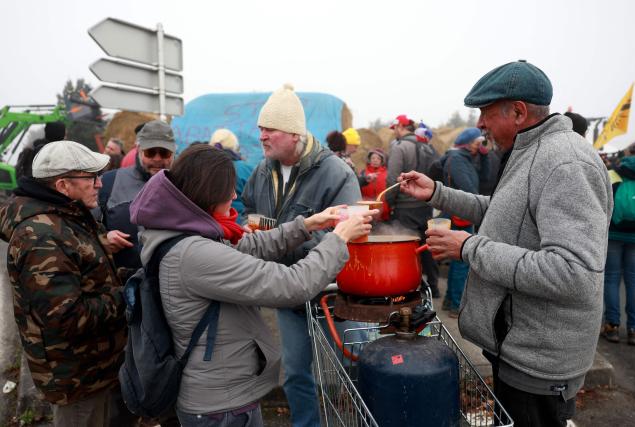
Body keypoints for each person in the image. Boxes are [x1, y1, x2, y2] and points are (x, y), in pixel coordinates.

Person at [399, 60, 612, 426]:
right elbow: (502, 212)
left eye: (485, 112)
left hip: (539, 365)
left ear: (518, 111)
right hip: (516, 347)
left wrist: (468, 247)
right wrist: (437, 192)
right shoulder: (530, 150)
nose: (480, 123)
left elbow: (573, 272)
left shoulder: (567, 163)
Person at [129, 144, 373, 427]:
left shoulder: (184, 232)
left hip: (219, 394)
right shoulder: (195, 253)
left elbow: (246, 246)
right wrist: (338, 239)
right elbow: (293, 285)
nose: (234, 196)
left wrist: (307, 224)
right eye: (228, 190)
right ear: (209, 193)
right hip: (221, 406)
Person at [242, 84, 362, 427]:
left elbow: (348, 228)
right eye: (261, 129)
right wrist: (253, 229)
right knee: (295, 373)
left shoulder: (337, 173)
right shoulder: (262, 170)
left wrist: (289, 245)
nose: (262, 136)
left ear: (294, 134)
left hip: (331, 295)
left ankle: (353, 421)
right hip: (287, 295)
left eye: (270, 130)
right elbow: (246, 207)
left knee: (347, 368)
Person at [0, 140, 131, 427]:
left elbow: (81, 273)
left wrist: (116, 268)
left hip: (93, 367)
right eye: (91, 178)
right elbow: (66, 317)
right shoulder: (41, 236)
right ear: (62, 185)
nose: (99, 184)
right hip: (77, 377)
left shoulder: (67, 215)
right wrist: (127, 296)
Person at [95, 120, 176, 282]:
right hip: (122, 285)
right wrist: (103, 238)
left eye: (165, 153)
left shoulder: (185, 185)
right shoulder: (109, 182)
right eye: (151, 152)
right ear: (139, 150)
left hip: (171, 285)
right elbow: (83, 228)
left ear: (173, 153)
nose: (158, 159)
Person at [386, 114, 441, 297]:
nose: (393, 133)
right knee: (427, 246)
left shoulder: (400, 147)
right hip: (426, 205)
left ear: (401, 127)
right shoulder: (428, 146)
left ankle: (408, 289)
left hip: (404, 208)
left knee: (407, 249)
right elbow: (438, 172)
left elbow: (393, 179)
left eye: (394, 129)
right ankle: (433, 287)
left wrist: (388, 202)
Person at [439, 127, 488, 317]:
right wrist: (478, 205)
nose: (479, 147)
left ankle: (450, 300)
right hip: (460, 215)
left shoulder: (467, 158)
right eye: (477, 144)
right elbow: (468, 189)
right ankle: (456, 304)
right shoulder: (457, 160)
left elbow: (485, 177)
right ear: (467, 144)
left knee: (457, 261)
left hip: (461, 214)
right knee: (461, 262)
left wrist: (483, 156)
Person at [601, 141, 635, 345]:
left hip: (614, 233)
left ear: (628, 152)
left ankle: (612, 326)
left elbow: (604, 200)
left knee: (612, 279)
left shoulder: (614, 172)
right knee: (634, 280)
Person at [209, 128, 254, 220]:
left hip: (210, 222)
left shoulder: (204, 167)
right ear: (235, 146)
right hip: (240, 222)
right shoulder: (246, 169)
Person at [359, 149, 391, 221]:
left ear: (382, 161)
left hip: (384, 210)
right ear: (369, 160)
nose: (375, 160)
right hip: (367, 209)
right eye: (373, 158)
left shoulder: (388, 173)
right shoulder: (363, 173)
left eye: (378, 158)